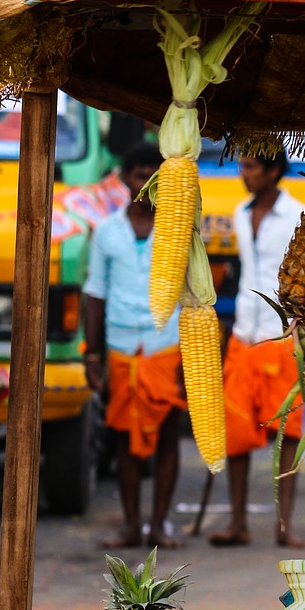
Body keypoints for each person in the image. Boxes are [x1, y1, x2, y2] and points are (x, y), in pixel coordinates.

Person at [82, 142, 186, 551]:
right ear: (126, 178)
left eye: (153, 175)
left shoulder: (178, 231)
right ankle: (131, 524)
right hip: (122, 346)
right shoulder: (107, 231)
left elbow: (192, 292)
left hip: (167, 344)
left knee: (167, 437)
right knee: (124, 438)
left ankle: (159, 525)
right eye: (139, 175)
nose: (145, 183)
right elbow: (95, 295)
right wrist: (92, 355)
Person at [210, 151, 305, 548]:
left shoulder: (297, 214)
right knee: (235, 430)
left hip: (283, 337)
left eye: (250, 167)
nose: (243, 174)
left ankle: (284, 526)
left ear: (272, 171)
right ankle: (238, 522)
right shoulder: (239, 210)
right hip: (244, 335)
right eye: (242, 165)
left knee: (288, 434)